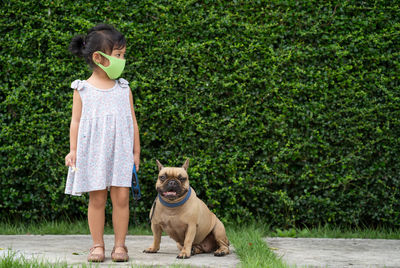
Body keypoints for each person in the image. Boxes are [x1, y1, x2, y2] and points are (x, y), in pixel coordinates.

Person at [64, 23, 140, 262]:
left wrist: (136, 152)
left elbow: (133, 122)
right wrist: (73, 150)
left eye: (123, 55)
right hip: (93, 152)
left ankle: (120, 246)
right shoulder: (82, 89)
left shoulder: (123, 88)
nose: (122, 60)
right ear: (98, 57)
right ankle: (97, 245)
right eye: (118, 55)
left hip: (121, 153)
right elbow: (75, 122)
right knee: (96, 199)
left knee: (121, 198)